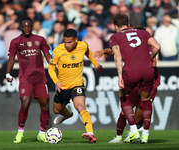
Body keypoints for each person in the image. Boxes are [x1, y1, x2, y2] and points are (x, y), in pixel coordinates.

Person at [108, 13, 160, 144]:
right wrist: (151, 57)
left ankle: (133, 130)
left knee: (123, 96)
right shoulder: (143, 33)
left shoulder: (115, 37)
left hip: (131, 71)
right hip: (148, 70)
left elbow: (118, 56)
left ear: (115, 26)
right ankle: (146, 134)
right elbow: (157, 47)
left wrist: (120, 76)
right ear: (129, 24)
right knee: (146, 99)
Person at [93, 47, 161, 143]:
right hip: (136, 83)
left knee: (137, 119)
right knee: (124, 112)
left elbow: (153, 63)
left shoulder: (148, 46)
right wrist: (102, 51)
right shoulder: (130, 43)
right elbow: (114, 50)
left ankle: (136, 131)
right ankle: (118, 137)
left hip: (148, 85)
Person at [48, 29, 102, 143]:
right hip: (62, 86)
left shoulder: (83, 45)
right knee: (57, 110)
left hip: (77, 84)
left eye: (70, 42)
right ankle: (68, 115)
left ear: (76, 40)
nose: (67, 45)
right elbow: (51, 68)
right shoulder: (58, 50)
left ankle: (90, 133)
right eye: (65, 42)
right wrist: (56, 81)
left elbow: (89, 53)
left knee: (80, 106)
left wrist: (96, 64)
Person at [6, 17, 51, 143]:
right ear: (21, 27)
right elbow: (11, 59)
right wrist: (8, 74)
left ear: (32, 27)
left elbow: (48, 56)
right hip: (26, 78)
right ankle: (20, 132)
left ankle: (42, 133)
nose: (27, 28)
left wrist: (54, 66)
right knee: (25, 103)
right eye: (24, 26)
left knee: (45, 106)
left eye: (29, 26)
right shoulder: (15, 41)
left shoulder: (40, 40)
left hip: (41, 78)